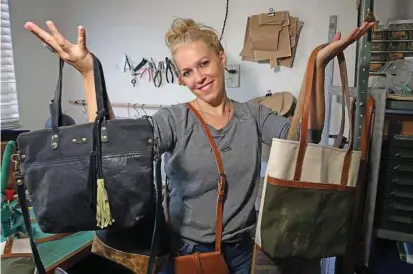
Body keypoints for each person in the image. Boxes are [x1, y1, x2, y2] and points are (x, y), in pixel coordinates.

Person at [24, 18, 375, 274]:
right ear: (181, 78)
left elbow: (306, 141)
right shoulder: (175, 119)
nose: (199, 77)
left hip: (244, 250)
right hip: (186, 254)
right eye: (188, 72)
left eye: (204, 63)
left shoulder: (254, 115)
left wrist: (318, 64)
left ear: (222, 58)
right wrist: (88, 72)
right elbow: (116, 146)